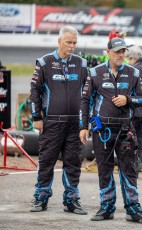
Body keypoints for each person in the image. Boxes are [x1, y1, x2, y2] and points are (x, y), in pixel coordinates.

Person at [79, 37, 142, 224]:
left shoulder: (134, 73)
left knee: (129, 169)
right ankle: (106, 207)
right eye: (117, 52)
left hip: (125, 128)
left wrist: (127, 99)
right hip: (102, 129)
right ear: (108, 52)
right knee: (104, 169)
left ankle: (133, 210)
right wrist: (83, 126)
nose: (121, 55)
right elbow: (85, 100)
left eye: (123, 52)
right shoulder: (95, 72)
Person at [29, 25, 88, 214]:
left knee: (73, 162)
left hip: (75, 124)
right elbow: (34, 91)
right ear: (59, 41)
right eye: (69, 42)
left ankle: (72, 200)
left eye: (75, 43)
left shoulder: (81, 63)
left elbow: (88, 95)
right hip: (51, 122)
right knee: (46, 161)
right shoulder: (44, 62)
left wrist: (85, 122)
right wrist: (36, 117)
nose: (72, 46)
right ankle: (41, 198)